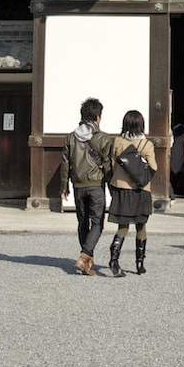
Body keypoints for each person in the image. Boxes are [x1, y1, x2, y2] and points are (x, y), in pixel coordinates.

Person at [60, 97, 115, 276]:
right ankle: (85, 256)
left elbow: (65, 163)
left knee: (82, 222)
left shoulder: (71, 137)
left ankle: (86, 261)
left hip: (78, 185)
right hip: (96, 185)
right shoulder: (104, 139)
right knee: (97, 222)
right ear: (98, 117)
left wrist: (64, 186)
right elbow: (107, 165)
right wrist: (112, 187)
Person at [106, 109, 157, 277]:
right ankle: (140, 263)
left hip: (121, 188)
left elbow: (113, 164)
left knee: (123, 226)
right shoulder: (146, 144)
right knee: (141, 225)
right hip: (140, 190)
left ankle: (114, 260)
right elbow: (154, 167)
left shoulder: (118, 141)